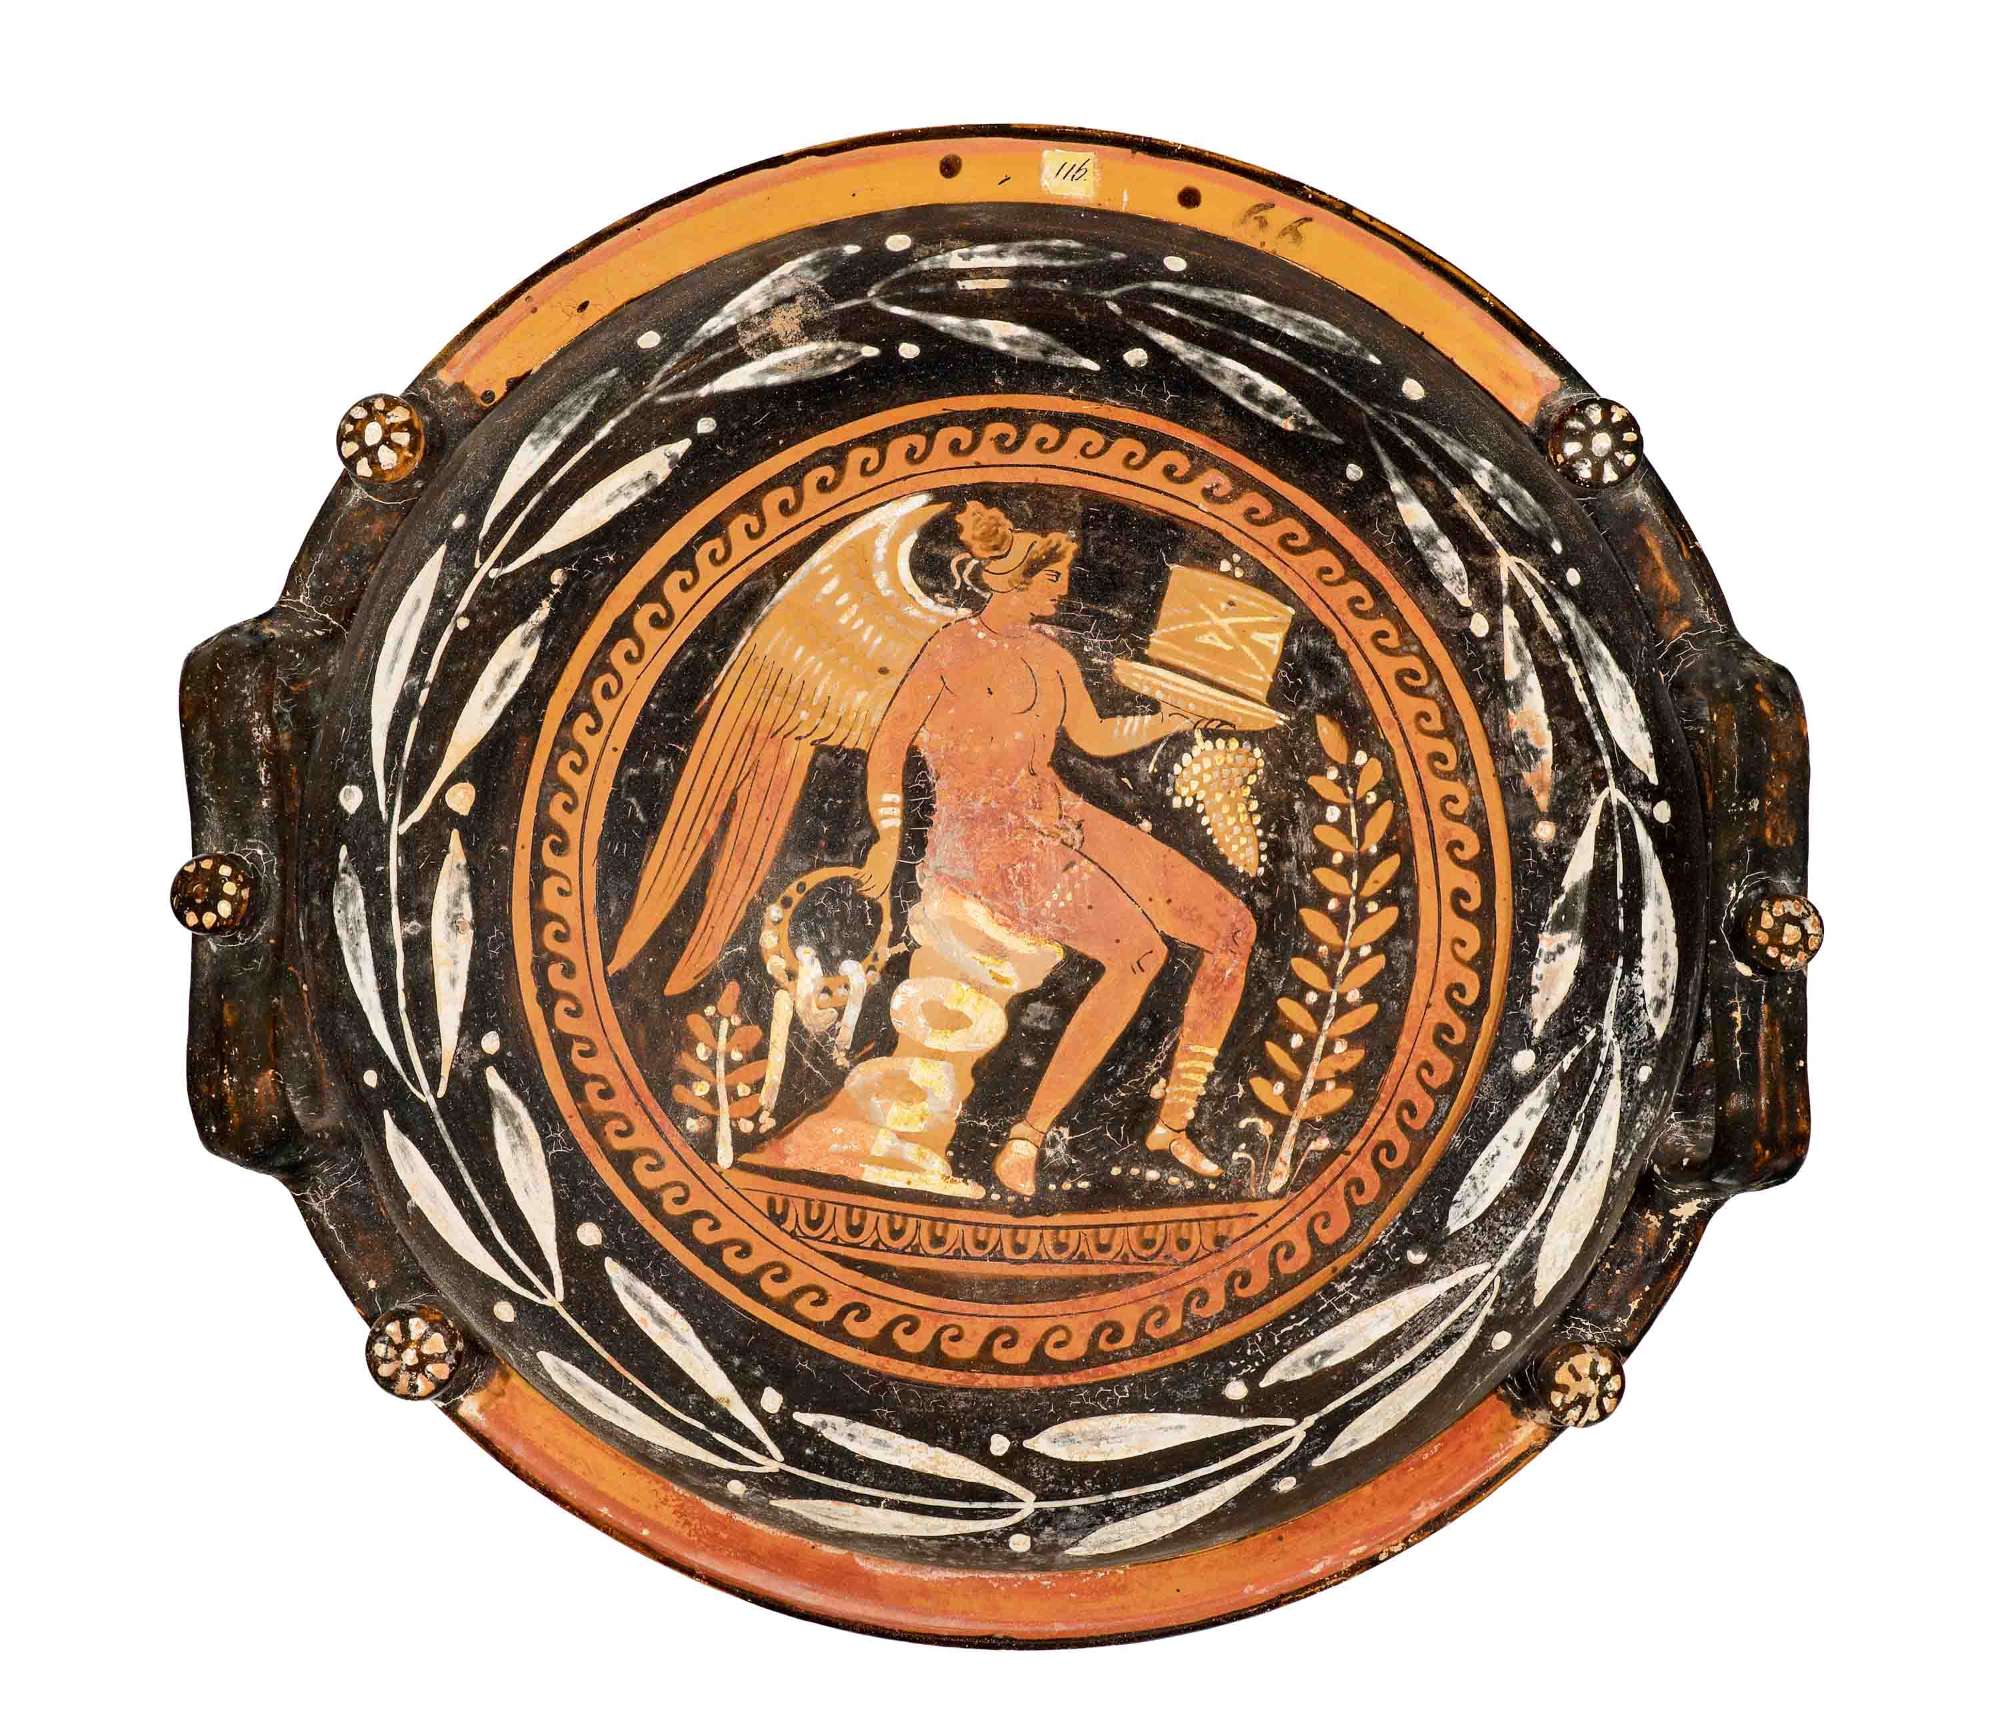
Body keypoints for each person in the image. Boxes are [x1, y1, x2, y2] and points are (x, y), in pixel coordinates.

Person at [856, 501, 1255, 1197]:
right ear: (1010, 577)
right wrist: (890, 836)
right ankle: (1027, 1138)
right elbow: (889, 746)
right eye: (1051, 579)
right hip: (983, 840)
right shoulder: (950, 650)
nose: (1063, 591)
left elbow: (1092, 737)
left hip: (1058, 813)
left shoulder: (1051, 654)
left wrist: (1170, 719)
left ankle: (1173, 1124)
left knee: (1232, 929)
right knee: (1141, 954)